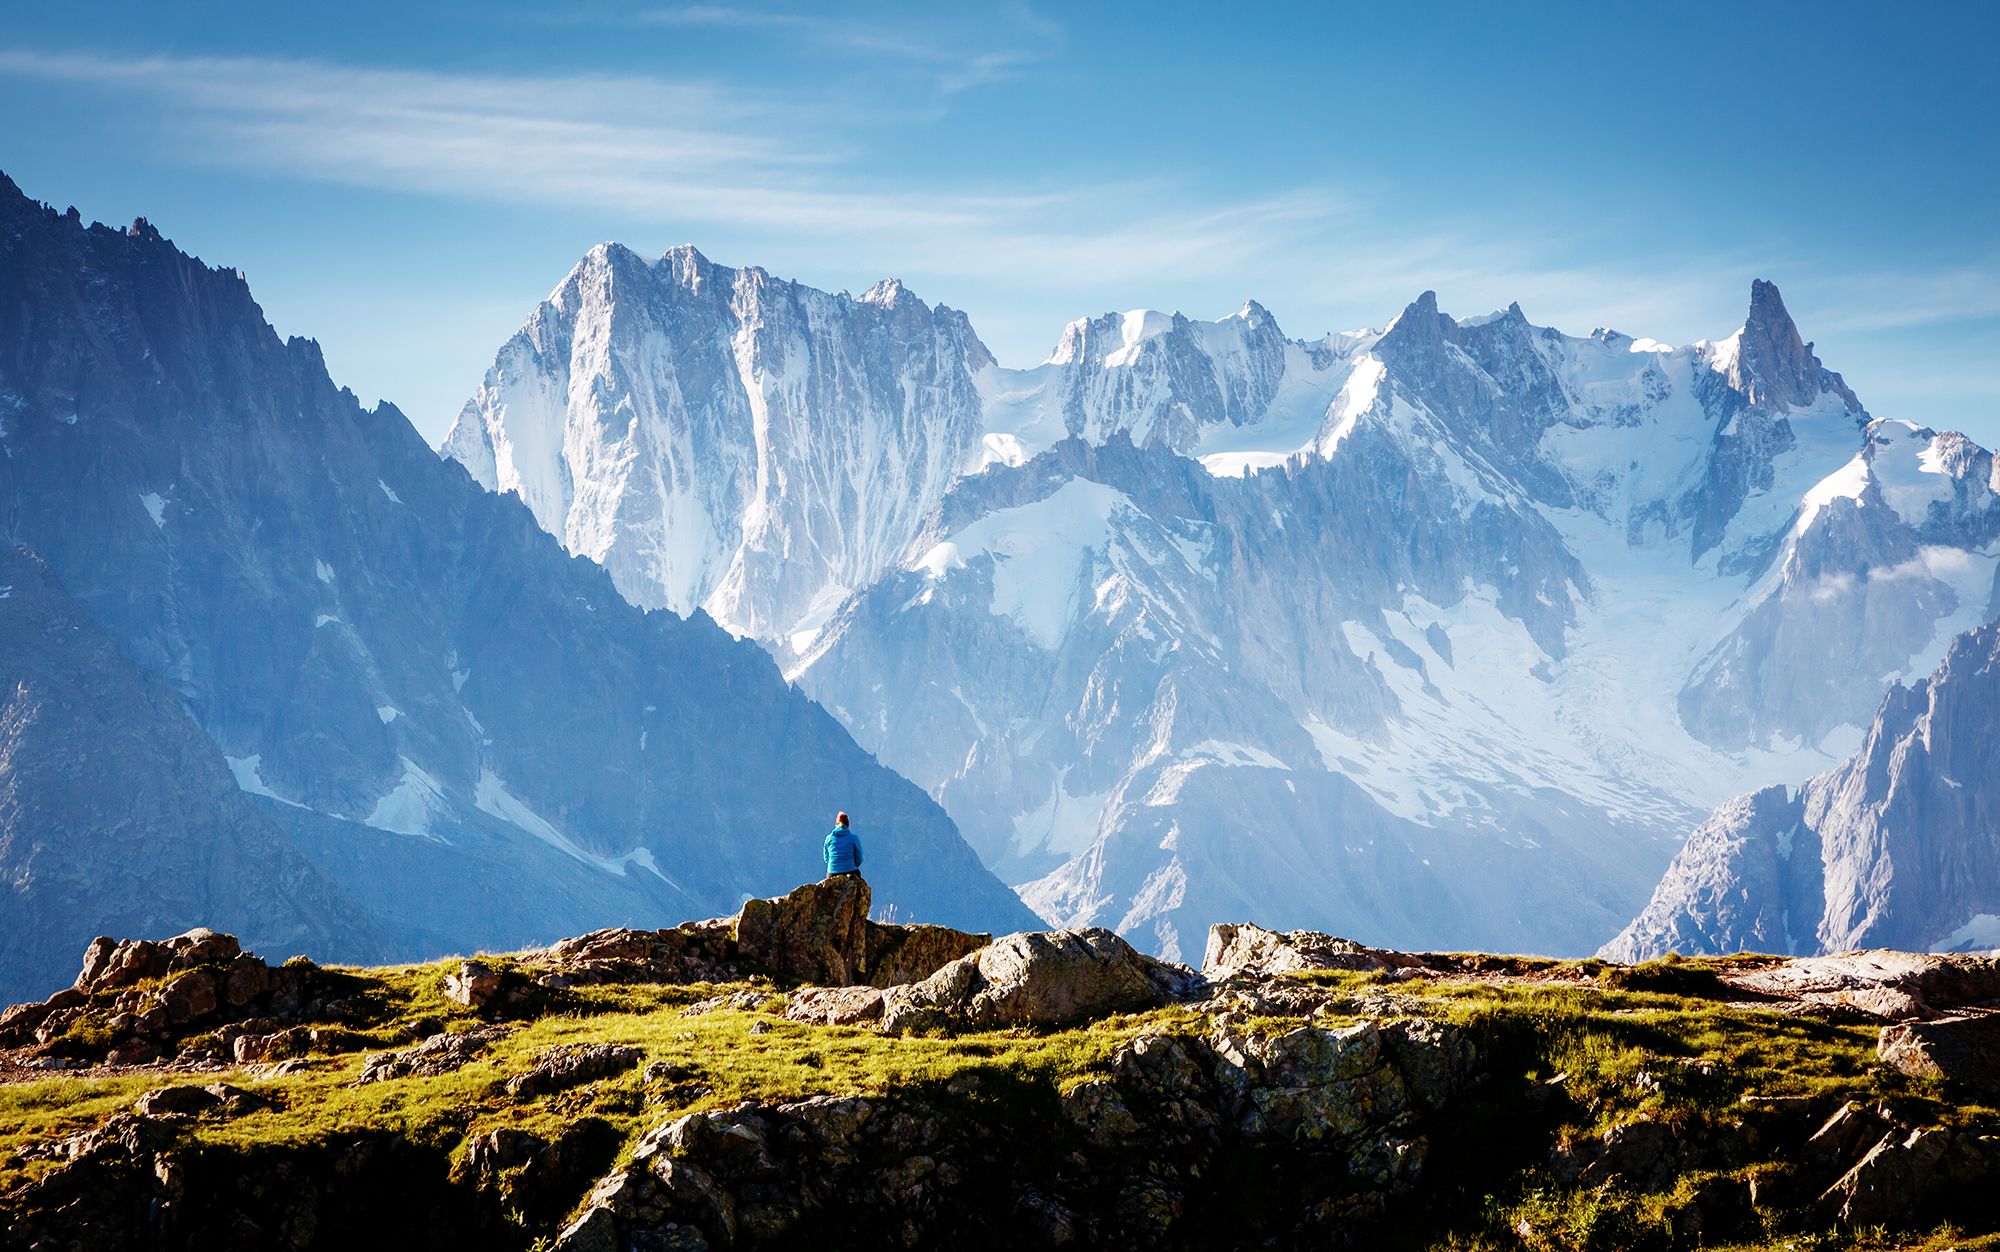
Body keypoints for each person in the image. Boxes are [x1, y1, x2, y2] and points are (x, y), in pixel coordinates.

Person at [824, 812, 863, 879]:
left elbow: (826, 857)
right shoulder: (854, 838)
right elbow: (859, 858)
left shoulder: (829, 838)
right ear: (848, 825)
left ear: (836, 824)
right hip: (850, 870)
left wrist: (834, 865)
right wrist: (850, 865)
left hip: (832, 872)